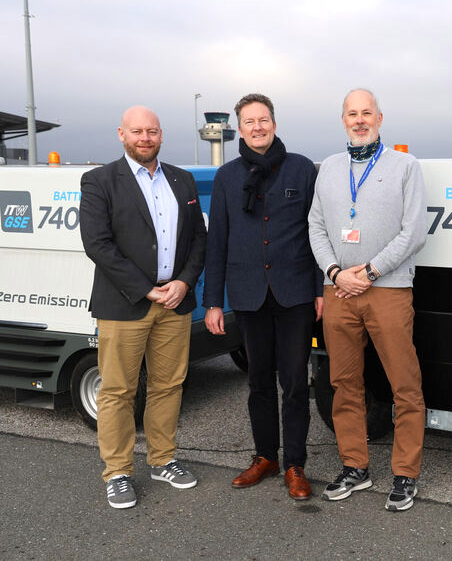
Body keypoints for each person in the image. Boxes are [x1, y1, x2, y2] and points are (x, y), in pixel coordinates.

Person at [80, 106, 207, 509]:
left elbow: (199, 239)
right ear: (122, 134)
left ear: (161, 135)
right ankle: (117, 472)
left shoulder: (181, 179)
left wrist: (183, 281)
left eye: (152, 131)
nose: (145, 138)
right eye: (137, 131)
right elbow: (97, 244)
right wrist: (147, 290)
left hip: (175, 301)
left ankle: (163, 459)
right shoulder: (100, 181)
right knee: (118, 390)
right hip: (125, 304)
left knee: (168, 385)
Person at [308, 88, 427, 511]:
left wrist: (371, 272)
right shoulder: (330, 169)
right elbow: (316, 228)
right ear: (343, 120)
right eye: (352, 114)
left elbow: (413, 232)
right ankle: (355, 467)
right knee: (343, 384)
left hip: (388, 289)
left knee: (404, 385)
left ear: (380, 117)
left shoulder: (404, 166)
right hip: (339, 290)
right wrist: (337, 273)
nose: (360, 120)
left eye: (367, 113)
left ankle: (405, 473)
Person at [203, 93, 322, 500]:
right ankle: (264, 457)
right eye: (250, 121)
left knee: (294, 383)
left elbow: (318, 234)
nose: (257, 126)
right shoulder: (227, 177)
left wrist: (321, 288)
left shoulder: (303, 169)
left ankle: (295, 464)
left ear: (274, 122)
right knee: (258, 382)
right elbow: (216, 241)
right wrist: (213, 301)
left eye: (264, 119)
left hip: (295, 294)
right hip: (248, 295)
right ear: (239, 127)